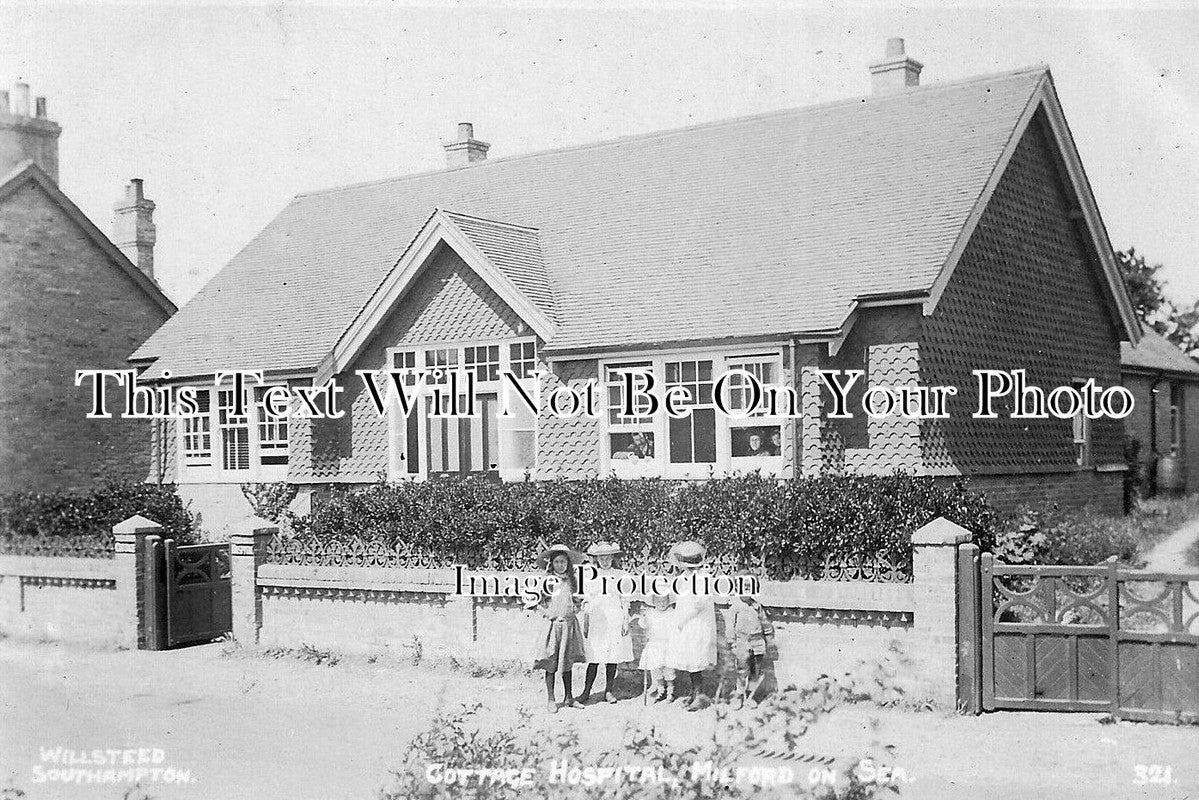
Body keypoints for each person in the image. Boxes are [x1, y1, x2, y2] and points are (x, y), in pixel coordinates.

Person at [532, 544, 587, 713]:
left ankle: (569, 697)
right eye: (557, 562)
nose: (560, 565)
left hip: (569, 626)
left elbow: (577, 600)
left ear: (568, 563)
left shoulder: (573, 580)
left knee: (567, 662)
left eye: (563, 562)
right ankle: (551, 699)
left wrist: (578, 607)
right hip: (553, 626)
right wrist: (547, 612)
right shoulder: (546, 581)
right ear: (552, 563)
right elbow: (533, 601)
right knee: (551, 662)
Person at [663, 540, 717, 711]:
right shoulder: (684, 578)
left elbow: (698, 605)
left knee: (696, 658)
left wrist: (682, 621)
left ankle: (699, 696)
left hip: (697, 624)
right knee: (689, 658)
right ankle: (693, 693)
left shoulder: (703, 578)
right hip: (686, 624)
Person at [580, 541, 634, 703]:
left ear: (613, 558)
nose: (605, 561)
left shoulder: (620, 575)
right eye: (601, 558)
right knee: (594, 656)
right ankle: (586, 691)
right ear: (596, 559)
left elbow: (625, 599)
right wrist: (586, 620)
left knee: (612, 656)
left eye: (608, 557)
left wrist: (625, 619)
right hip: (597, 619)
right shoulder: (590, 575)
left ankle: (608, 691)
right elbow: (587, 600)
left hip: (614, 618)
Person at [634, 593, 674, 703]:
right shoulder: (651, 614)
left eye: (664, 601)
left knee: (668, 668)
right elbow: (643, 624)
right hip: (655, 644)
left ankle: (670, 690)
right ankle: (661, 689)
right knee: (656, 668)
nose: (662, 604)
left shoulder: (671, 613)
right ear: (654, 603)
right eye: (659, 601)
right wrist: (644, 618)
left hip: (667, 644)